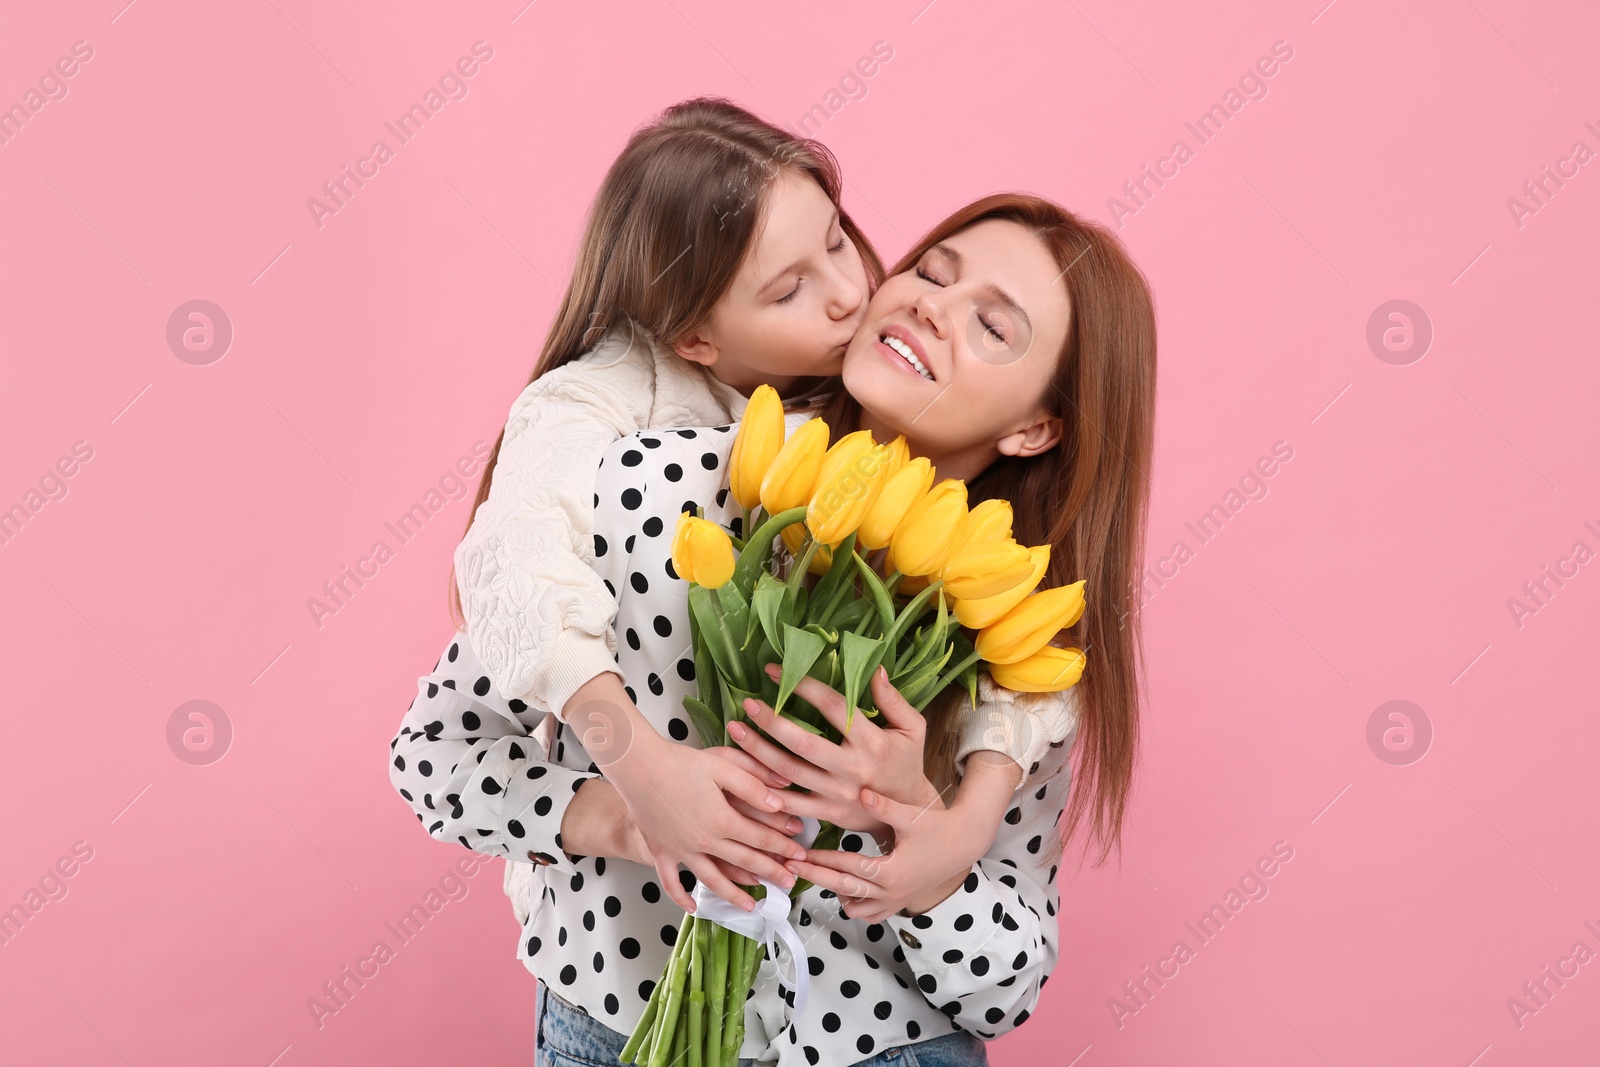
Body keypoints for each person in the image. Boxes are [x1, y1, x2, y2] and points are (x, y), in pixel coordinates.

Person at [391, 193, 1157, 1065]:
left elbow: (1008, 986)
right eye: (931, 272)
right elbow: (437, 752)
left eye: (991, 327)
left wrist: (920, 850)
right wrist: (627, 812)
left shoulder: (1015, 646)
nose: (930, 307)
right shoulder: (660, 489)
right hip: (615, 1032)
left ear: (1036, 427)